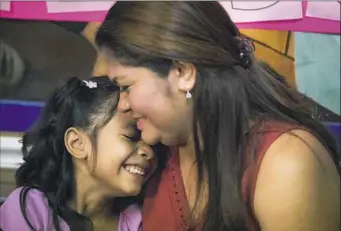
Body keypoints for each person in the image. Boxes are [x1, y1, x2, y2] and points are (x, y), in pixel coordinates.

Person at [94, 2, 340, 231]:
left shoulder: (286, 165)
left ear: (182, 73)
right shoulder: (155, 155)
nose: (122, 105)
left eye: (125, 86)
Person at [0, 76, 163, 231]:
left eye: (153, 143)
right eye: (131, 136)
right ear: (77, 144)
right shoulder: (31, 209)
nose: (148, 151)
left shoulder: (139, 221)